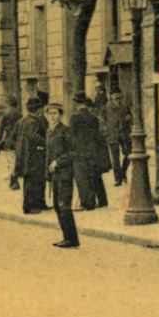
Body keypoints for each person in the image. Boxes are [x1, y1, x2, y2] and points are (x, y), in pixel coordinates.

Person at [44, 103, 79, 248]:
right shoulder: (49, 131)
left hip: (64, 173)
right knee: (58, 207)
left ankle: (71, 239)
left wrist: (58, 162)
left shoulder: (65, 131)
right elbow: (48, 153)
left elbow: (74, 152)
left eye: (55, 113)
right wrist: (47, 173)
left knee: (64, 206)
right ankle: (66, 237)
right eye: (50, 113)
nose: (52, 116)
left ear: (60, 115)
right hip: (55, 175)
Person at [69, 95, 109, 209]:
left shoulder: (74, 118)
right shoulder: (93, 118)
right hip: (92, 151)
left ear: (77, 104)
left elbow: (71, 136)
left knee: (81, 178)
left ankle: (87, 203)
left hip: (79, 151)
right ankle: (101, 201)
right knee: (93, 175)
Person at [15, 97, 49, 214]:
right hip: (33, 156)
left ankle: (35, 204)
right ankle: (31, 206)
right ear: (37, 109)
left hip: (25, 155)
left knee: (30, 181)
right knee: (34, 181)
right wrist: (46, 142)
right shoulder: (34, 121)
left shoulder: (24, 120)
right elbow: (34, 136)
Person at [99, 86, 131, 187]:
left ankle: (123, 172)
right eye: (115, 97)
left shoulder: (125, 106)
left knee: (129, 154)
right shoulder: (106, 108)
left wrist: (129, 118)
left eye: (119, 97)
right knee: (115, 158)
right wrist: (104, 129)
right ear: (111, 97)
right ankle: (118, 179)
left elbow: (131, 118)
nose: (118, 99)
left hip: (124, 134)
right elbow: (101, 120)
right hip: (112, 135)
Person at [0, 98, 23, 190]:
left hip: (9, 141)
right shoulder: (20, 115)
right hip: (18, 141)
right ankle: (14, 181)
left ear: (10, 105)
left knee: (11, 161)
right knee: (16, 160)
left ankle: (14, 181)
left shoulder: (6, 115)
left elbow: (1, 128)